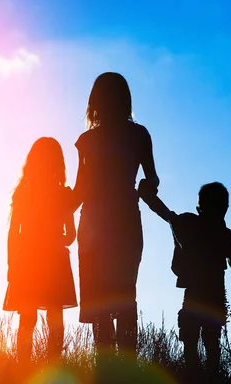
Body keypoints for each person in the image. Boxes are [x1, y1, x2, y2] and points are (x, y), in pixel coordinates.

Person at [71, 72, 160, 358]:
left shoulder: (88, 140)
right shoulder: (138, 134)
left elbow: (79, 191)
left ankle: (107, 367)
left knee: (103, 298)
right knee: (123, 295)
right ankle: (124, 368)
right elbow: (153, 180)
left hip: (99, 223)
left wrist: (53, 208)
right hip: (122, 220)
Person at [138, 179, 231, 373]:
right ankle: (208, 378)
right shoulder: (223, 234)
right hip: (213, 293)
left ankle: (195, 376)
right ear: (225, 207)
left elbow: (167, 214)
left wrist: (148, 197)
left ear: (200, 206)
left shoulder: (192, 225)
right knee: (209, 340)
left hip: (195, 292)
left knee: (193, 337)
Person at [4, 137, 78, 362]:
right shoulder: (62, 193)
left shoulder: (22, 193)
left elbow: (13, 232)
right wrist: (57, 239)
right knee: (53, 315)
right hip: (52, 260)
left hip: (27, 259)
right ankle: (52, 364)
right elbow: (71, 235)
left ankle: (23, 365)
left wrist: (11, 264)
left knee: (28, 316)